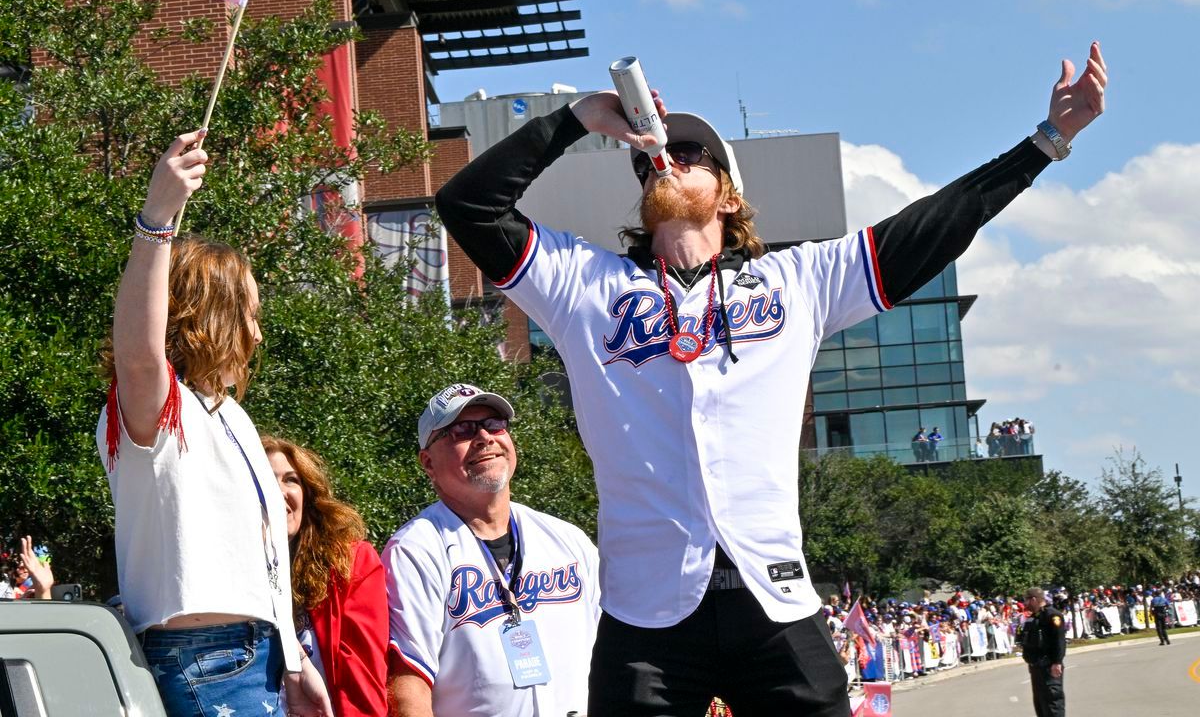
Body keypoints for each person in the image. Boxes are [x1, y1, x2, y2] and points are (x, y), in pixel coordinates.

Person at [435, 43, 1106, 715]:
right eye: (650, 163)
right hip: (646, 615)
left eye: (693, 155)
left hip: (775, 599)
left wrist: (1045, 142)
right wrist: (579, 119)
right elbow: (467, 205)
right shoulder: (582, 285)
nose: (668, 161)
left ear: (728, 195)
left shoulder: (799, 281)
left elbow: (936, 224)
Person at [96, 132, 331, 717]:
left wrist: (293, 664)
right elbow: (139, 355)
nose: (257, 334)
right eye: (247, 314)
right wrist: (157, 217)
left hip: (256, 658)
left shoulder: (230, 415)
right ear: (207, 318)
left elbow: (262, 560)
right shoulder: (160, 404)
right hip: (204, 659)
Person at [383, 383, 601, 717]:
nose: (485, 437)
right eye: (462, 429)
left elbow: (611, 653)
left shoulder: (567, 539)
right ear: (428, 462)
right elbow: (407, 681)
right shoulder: (416, 550)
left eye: (495, 424)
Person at [264, 436, 390, 715]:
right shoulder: (227, 572)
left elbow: (362, 676)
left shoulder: (350, 563)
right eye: (265, 479)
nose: (279, 491)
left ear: (307, 495)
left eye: (291, 480)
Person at [1021, 587, 1067, 717]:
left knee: (1053, 702)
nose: (1025, 603)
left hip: (1049, 666)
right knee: (1041, 704)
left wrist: (1057, 662)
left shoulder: (1052, 615)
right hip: (1037, 666)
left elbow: (1059, 640)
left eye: (1026, 600)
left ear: (1034, 599)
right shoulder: (1036, 616)